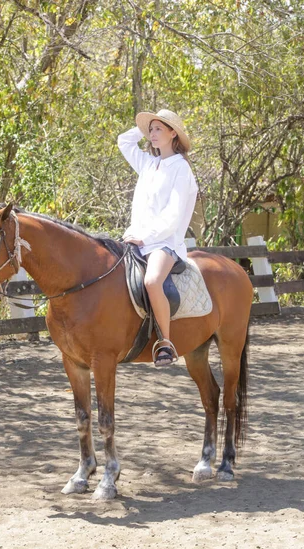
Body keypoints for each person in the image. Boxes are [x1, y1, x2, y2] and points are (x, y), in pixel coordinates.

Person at [118, 109, 198, 367]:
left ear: (173, 133)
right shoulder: (148, 163)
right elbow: (123, 141)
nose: (152, 134)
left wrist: (145, 236)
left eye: (158, 129)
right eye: (150, 130)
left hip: (164, 242)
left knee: (152, 281)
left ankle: (165, 342)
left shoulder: (181, 169)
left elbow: (173, 217)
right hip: (136, 239)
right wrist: (142, 129)